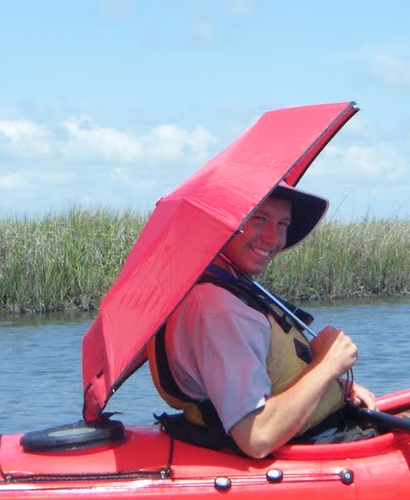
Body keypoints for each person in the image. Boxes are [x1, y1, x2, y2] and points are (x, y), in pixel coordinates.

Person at [152, 185, 378, 458]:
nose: (273, 237)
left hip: (321, 435)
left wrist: (338, 388)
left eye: (283, 223)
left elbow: (270, 376)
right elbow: (256, 436)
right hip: (303, 452)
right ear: (224, 221)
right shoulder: (218, 308)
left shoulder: (232, 286)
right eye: (258, 218)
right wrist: (327, 367)